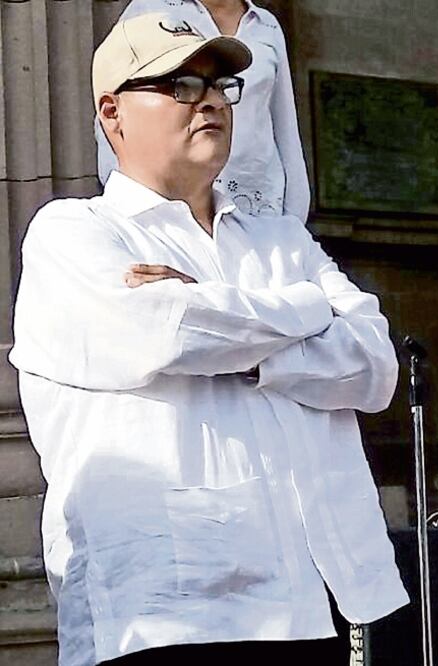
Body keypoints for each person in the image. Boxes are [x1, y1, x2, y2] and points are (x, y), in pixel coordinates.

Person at [11, 13, 405, 665]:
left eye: (220, 85)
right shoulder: (73, 233)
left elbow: (373, 367)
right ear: (114, 115)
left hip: (316, 599)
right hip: (168, 608)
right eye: (181, 85)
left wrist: (236, 338)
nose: (213, 101)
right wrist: (309, 308)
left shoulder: (277, 237)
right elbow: (165, 334)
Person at [95, 0, 310, 221]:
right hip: (177, 213)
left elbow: (286, 128)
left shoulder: (267, 25)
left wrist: (294, 219)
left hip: (261, 209)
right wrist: (138, 213)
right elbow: (115, 112)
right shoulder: (151, 7)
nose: (214, 101)